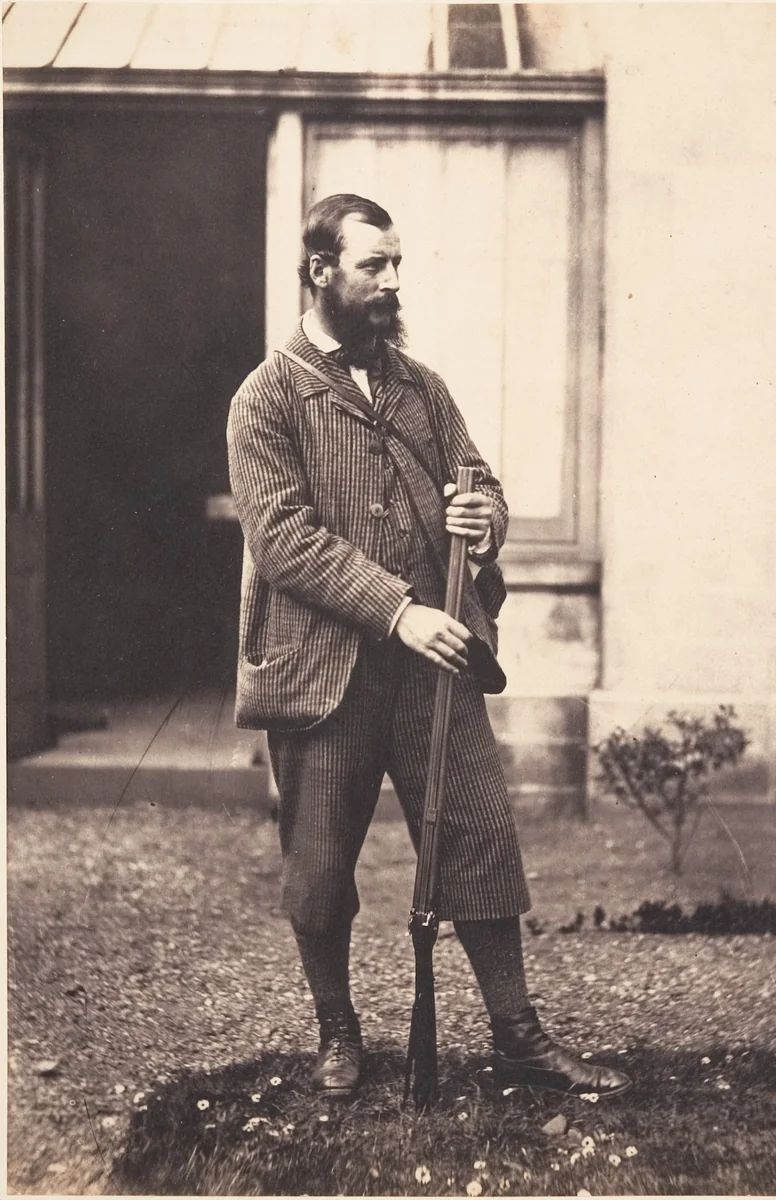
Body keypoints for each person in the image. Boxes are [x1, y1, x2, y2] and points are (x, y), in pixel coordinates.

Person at [227, 193, 631, 1102]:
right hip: (322, 674)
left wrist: (484, 521)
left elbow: (480, 480)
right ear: (321, 270)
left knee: (480, 838)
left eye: (398, 264)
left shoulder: (421, 387)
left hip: (434, 667)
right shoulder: (265, 397)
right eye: (374, 265)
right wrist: (399, 610)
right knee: (319, 866)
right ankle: (338, 1033)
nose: (392, 281)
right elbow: (283, 541)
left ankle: (518, 1036)